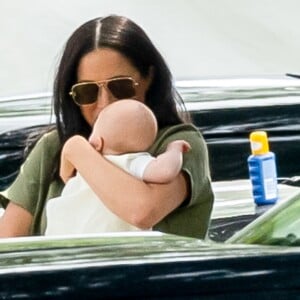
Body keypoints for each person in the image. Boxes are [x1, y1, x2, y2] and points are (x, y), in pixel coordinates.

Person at [0, 14, 214, 239]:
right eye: (87, 91)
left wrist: (78, 151)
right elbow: (7, 243)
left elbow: (141, 211)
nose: (105, 103)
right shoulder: (52, 147)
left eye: (121, 86)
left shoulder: (178, 145)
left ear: (149, 78)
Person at [45, 99, 190, 235]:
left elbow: (66, 178)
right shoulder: (134, 162)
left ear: (97, 142)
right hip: (111, 246)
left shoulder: (85, 167)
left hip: (64, 236)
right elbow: (165, 170)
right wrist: (173, 150)